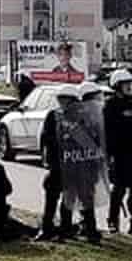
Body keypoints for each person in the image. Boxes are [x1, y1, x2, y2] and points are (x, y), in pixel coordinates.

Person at [103, 69, 132, 237]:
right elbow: (107, 132)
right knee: (119, 190)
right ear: (117, 86)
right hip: (118, 155)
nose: (129, 87)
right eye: (125, 84)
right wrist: (109, 156)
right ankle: (113, 221)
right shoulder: (110, 105)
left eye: (130, 84)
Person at [36, 84, 83, 240]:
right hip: (56, 164)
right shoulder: (53, 116)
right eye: (61, 100)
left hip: (73, 164)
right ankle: (46, 228)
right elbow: (46, 137)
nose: (63, 103)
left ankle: (66, 228)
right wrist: (47, 157)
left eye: (66, 100)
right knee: (51, 198)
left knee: (68, 200)